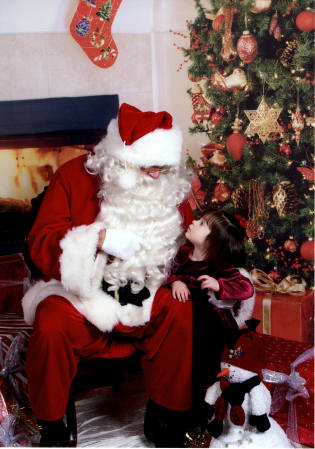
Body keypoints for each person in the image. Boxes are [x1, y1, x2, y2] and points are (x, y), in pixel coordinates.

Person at [22, 103, 194, 447]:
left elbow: (189, 246)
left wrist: (178, 274)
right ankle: (53, 425)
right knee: (51, 322)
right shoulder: (72, 176)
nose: (158, 175)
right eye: (149, 166)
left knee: (179, 309)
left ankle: (166, 414)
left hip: (145, 293)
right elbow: (41, 241)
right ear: (120, 160)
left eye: (162, 165)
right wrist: (98, 239)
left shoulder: (167, 186)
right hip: (84, 295)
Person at [161, 209, 255, 427]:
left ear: (213, 242)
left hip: (208, 330)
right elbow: (167, 271)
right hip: (183, 327)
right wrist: (175, 281)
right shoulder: (184, 253)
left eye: (202, 224)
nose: (193, 222)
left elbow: (246, 288)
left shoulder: (219, 265)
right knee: (180, 370)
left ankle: (203, 413)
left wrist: (219, 285)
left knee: (203, 372)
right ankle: (178, 409)